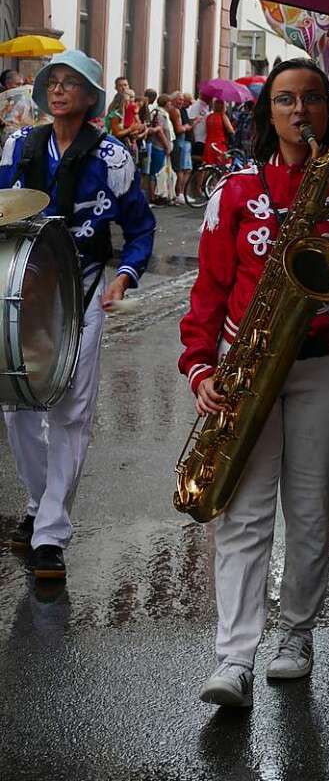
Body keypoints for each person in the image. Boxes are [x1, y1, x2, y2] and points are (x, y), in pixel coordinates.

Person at [178, 57, 329, 707]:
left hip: (328, 362)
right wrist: (199, 366)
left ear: (327, 111)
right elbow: (210, 288)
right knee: (243, 517)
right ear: (265, 113)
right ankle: (233, 659)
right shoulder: (235, 190)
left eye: (310, 99)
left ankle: (294, 636)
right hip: (247, 366)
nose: (298, 111)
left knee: (309, 515)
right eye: (283, 100)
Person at [0, 50, 155, 581]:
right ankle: (42, 502)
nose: (59, 89)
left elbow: (141, 229)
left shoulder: (113, 158)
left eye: (72, 83)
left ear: (91, 98)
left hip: (81, 290)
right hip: (20, 290)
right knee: (15, 403)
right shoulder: (18, 145)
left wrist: (124, 276)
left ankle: (51, 533)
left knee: (71, 411)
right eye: (53, 82)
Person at [168, 92, 194, 205]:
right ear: (173, 100)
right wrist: (187, 126)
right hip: (180, 141)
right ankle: (179, 194)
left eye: (182, 100)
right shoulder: (175, 111)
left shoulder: (176, 110)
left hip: (181, 141)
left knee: (185, 169)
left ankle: (181, 193)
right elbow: (178, 129)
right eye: (179, 100)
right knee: (182, 169)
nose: (181, 102)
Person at [202, 97, 234, 166]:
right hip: (220, 144)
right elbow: (230, 130)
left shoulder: (209, 117)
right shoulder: (222, 116)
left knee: (209, 165)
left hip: (209, 143)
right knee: (223, 166)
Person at [188, 93, 210, 167]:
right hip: (198, 138)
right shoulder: (197, 106)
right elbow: (191, 121)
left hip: (204, 138)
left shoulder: (206, 106)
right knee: (199, 161)